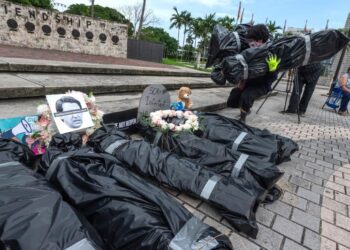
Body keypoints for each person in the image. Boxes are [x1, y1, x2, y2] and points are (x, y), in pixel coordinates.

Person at [227, 24, 277, 123]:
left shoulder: (271, 53)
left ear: (261, 40)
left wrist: (272, 69)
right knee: (233, 97)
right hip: (248, 82)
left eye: (254, 40)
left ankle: (242, 118)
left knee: (247, 95)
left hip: (262, 85)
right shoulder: (248, 52)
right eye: (250, 41)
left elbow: (272, 78)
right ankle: (246, 109)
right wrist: (241, 82)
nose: (251, 43)